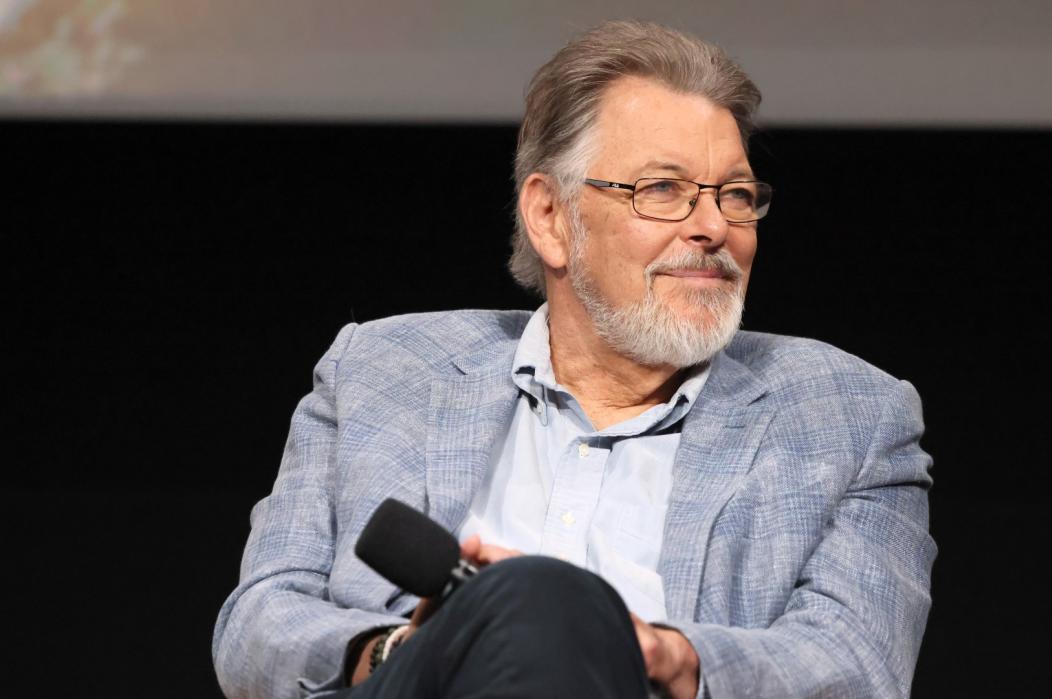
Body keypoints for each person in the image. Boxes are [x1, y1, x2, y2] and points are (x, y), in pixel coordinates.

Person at [213, 19, 935, 699]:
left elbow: (858, 661)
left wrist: (666, 654)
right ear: (551, 217)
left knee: (544, 600)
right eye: (664, 190)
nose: (715, 226)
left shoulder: (851, 416)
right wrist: (406, 648)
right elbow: (257, 625)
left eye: (736, 195)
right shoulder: (379, 369)